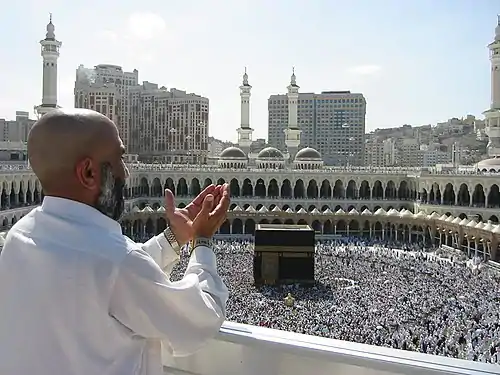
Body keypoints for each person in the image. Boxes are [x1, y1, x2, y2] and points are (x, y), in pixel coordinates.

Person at [0, 109, 230, 375]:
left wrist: (174, 238)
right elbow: (200, 318)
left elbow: (98, 280)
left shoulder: (19, 237)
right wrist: (202, 241)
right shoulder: (116, 264)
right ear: (88, 172)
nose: (127, 173)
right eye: (120, 159)